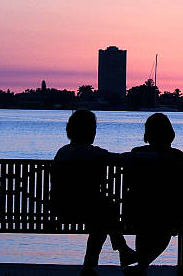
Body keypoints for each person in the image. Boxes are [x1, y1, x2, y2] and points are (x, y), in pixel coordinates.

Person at [53, 110, 137, 276]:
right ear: (91, 131)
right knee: (106, 210)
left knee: (103, 212)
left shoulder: (61, 153)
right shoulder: (93, 153)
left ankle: (93, 266)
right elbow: (121, 159)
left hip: (61, 209)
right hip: (86, 210)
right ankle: (120, 249)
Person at [124, 113, 183, 273]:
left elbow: (129, 183)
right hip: (168, 213)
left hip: (137, 211)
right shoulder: (177, 156)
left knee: (143, 228)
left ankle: (140, 264)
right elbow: (180, 189)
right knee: (164, 233)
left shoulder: (136, 153)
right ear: (170, 133)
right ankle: (141, 265)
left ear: (148, 133)